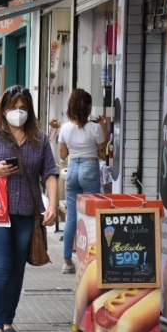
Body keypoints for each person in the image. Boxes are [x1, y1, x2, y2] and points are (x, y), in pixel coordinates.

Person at [0, 85, 58, 332]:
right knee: (1, 266)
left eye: (23, 108)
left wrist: (52, 205)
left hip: (26, 212)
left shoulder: (39, 138)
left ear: (29, 109)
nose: (18, 112)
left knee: (17, 269)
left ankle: (8, 321)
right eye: (13, 108)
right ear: (3, 109)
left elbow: (50, 172)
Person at [58, 88, 105, 274]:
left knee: (71, 217)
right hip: (90, 168)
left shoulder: (64, 128)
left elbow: (63, 155)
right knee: (91, 214)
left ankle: (67, 261)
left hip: (72, 170)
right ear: (88, 107)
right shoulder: (95, 128)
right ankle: (90, 260)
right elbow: (103, 154)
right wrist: (104, 128)